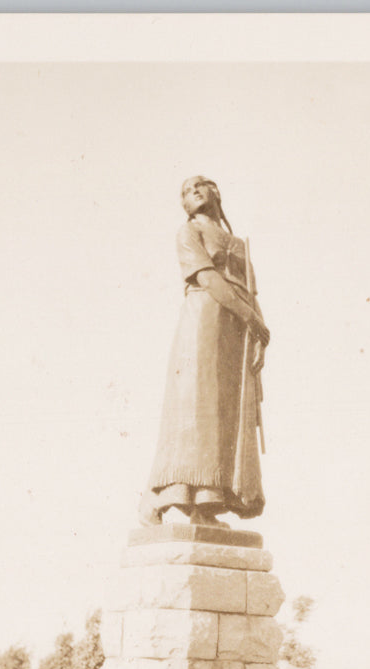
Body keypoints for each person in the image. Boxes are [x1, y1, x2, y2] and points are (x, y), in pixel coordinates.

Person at [140, 176, 270, 528]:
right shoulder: (188, 234)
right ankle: (176, 497)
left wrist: (258, 331)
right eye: (184, 190)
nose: (193, 191)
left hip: (235, 331)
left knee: (224, 411)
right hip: (204, 321)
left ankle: (210, 501)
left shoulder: (239, 243)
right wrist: (253, 321)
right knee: (197, 403)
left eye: (201, 185)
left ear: (216, 192)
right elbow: (208, 278)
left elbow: (250, 291)